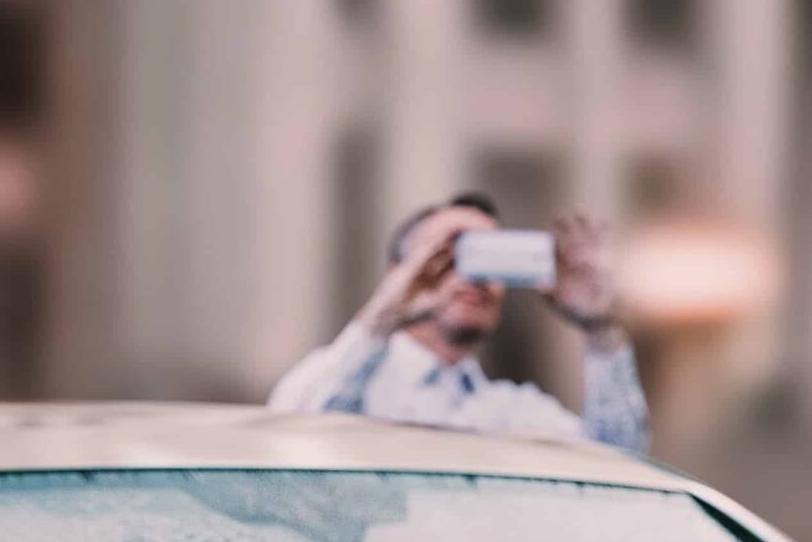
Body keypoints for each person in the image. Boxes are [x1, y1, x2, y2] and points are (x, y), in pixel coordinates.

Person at [265, 195, 649, 455]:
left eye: (490, 258)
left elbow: (621, 460)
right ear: (400, 273)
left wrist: (601, 331)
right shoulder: (337, 382)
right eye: (450, 256)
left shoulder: (514, 412)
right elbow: (295, 444)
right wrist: (385, 311)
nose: (474, 277)